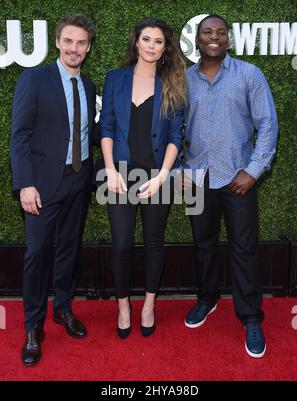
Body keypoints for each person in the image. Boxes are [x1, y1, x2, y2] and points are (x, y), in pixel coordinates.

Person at [183, 14, 278, 358]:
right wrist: (180, 169)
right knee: (202, 245)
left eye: (220, 33)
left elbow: (267, 125)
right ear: (197, 39)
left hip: (239, 179)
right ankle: (207, 299)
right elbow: (172, 129)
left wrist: (253, 171)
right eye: (207, 32)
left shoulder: (249, 75)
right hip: (195, 179)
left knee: (244, 248)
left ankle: (251, 316)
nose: (214, 37)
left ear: (228, 40)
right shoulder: (182, 79)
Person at [10, 14, 97, 366]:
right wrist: (25, 183)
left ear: (88, 47)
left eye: (81, 43)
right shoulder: (34, 79)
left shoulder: (88, 85)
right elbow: (20, 136)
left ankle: (62, 308)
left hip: (79, 179)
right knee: (37, 255)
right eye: (69, 41)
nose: (75, 48)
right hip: (42, 184)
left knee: (69, 249)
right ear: (58, 42)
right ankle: (33, 325)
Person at [100, 18, 186, 339]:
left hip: (157, 177)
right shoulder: (115, 79)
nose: (151, 45)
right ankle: (124, 307)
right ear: (136, 42)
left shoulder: (172, 82)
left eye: (158, 41)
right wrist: (109, 169)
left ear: (165, 48)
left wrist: (163, 175)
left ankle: (149, 304)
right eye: (146, 39)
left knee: (153, 243)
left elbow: (177, 135)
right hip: (119, 175)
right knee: (121, 244)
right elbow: (106, 125)